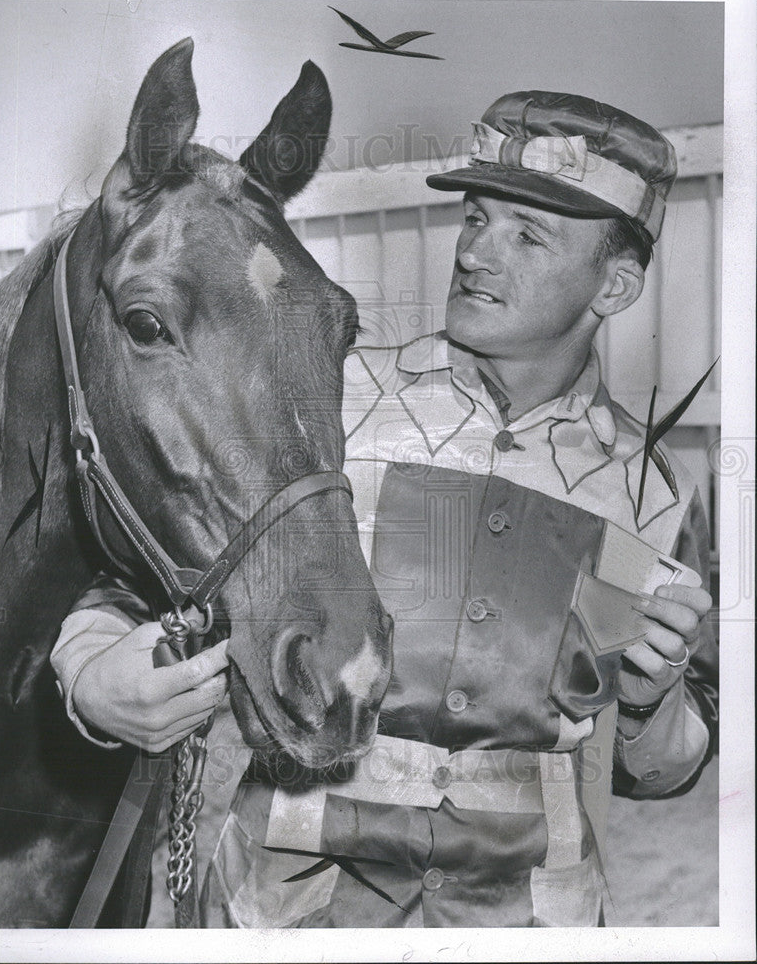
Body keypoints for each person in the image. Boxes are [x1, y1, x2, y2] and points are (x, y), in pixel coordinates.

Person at [51, 90, 718, 927]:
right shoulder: (334, 400)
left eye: (526, 234)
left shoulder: (650, 492)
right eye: (475, 218)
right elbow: (133, 579)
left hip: (528, 927)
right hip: (294, 918)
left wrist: (654, 702)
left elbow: (658, 770)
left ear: (615, 285)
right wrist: (89, 675)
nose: (475, 252)